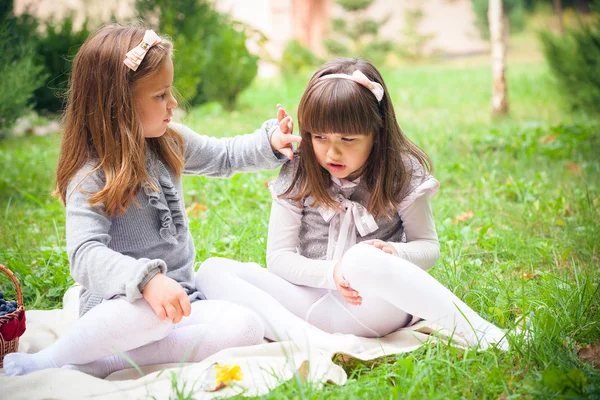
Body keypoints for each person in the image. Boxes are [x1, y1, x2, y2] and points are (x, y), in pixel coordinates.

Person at [3, 24, 306, 378]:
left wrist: (268, 142)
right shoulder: (91, 174)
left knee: (245, 327)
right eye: (160, 95)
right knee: (148, 315)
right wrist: (145, 280)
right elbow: (85, 255)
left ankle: (101, 361)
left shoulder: (167, 141)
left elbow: (223, 155)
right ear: (118, 105)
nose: (173, 103)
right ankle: (51, 359)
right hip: (120, 308)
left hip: (180, 303)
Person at [197, 58, 509, 351]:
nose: (331, 153)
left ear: (377, 133)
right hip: (311, 306)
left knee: (360, 259)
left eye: (347, 140)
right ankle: (311, 342)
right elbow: (278, 258)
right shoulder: (300, 169)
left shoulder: (400, 170)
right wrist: (331, 273)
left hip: (375, 307)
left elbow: (428, 246)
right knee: (212, 271)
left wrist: (396, 253)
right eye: (319, 137)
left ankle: (486, 335)